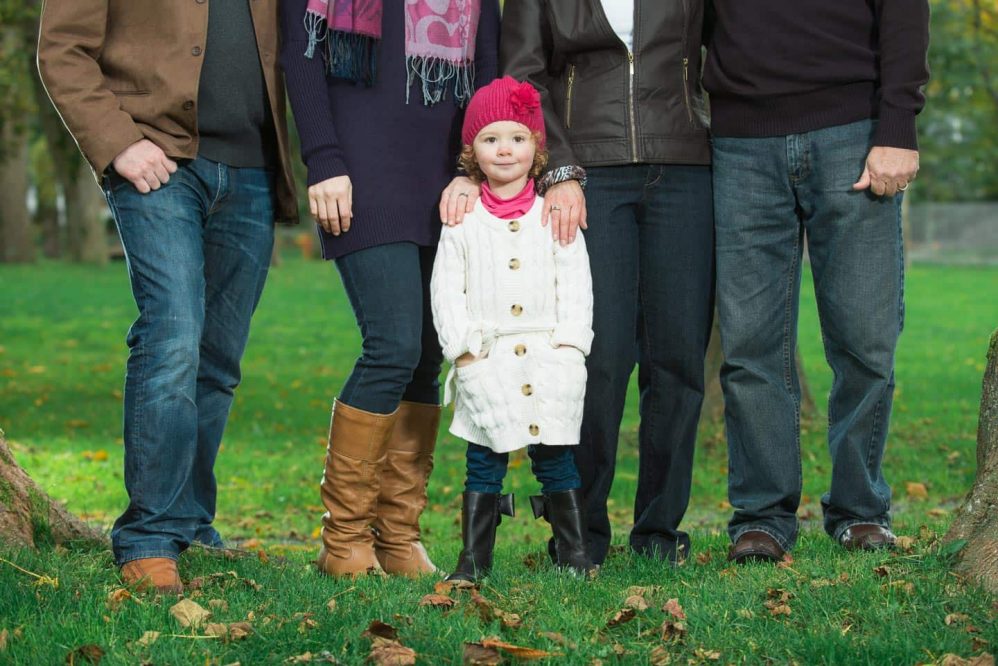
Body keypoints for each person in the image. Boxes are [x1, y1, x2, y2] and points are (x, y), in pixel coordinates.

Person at [37, 0, 298, 593]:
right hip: (154, 160)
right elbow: (63, 49)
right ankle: (149, 537)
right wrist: (117, 142)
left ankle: (189, 522)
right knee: (173, 333)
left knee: (219, 359)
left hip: (252, 168)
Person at [704, 1, 930, 562]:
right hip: (739, 140)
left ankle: (859, 509)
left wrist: (898, 124)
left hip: (854, 133)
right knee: (749, 343)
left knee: (864, 337)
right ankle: (761, 515)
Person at [280, 0, 499, 578]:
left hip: (447, 180)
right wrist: (323, 159)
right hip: (360, 172)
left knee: (428, 356)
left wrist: (471, 171)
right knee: (392, 345)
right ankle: (344, 537)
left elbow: (489, 71)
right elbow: (299, 59)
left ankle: (397, 535)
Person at [499, 1, 714, 565]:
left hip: (687, 165)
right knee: (596, 358)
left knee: (678, 358)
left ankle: (659, 533)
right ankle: (579, 532)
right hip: (589, 177)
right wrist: (560, 168)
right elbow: (523, 74)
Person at [431, 77, 595, 583]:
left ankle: (572, 553)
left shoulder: (554, 211)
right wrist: (462, 352)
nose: (505, 150)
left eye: (518, 139)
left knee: (556, 458)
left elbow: (576, 282)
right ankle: (474, 559)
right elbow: (445, 288)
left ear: (537, 148)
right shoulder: (462, 217)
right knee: (484, 458)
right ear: (471, 149)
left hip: (550, 357)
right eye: (491, 139)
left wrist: (571, 347)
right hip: (488, 357)